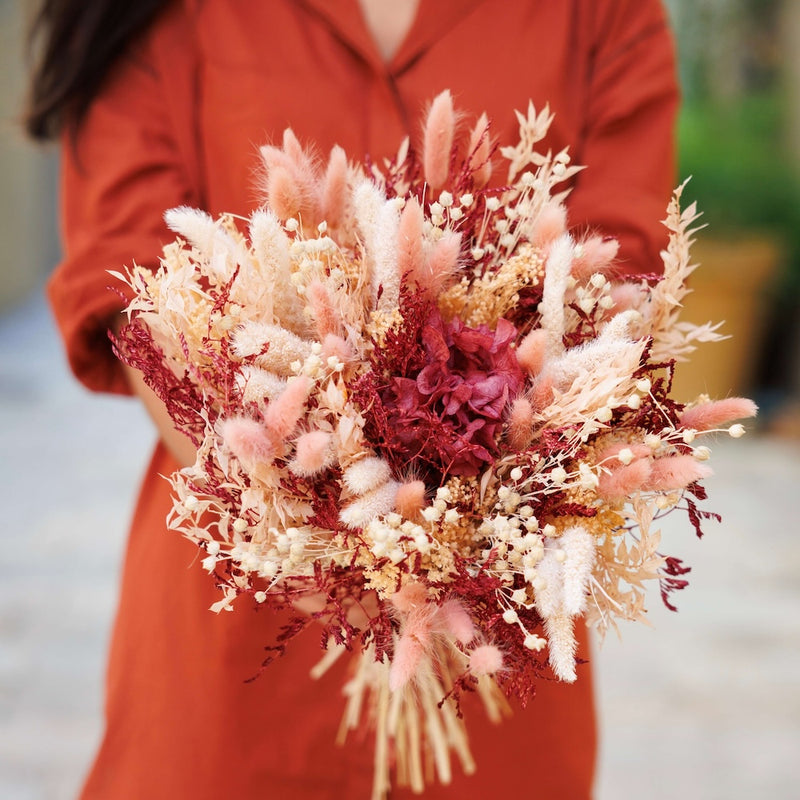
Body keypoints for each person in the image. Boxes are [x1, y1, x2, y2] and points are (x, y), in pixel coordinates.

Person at [26, 1, 678, 797]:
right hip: (230, 658)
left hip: (495, 671)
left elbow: (619, 280)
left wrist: (451, 529)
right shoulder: (161, 17)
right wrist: (340, 542)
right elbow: (140, 290)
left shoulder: (603, 14)